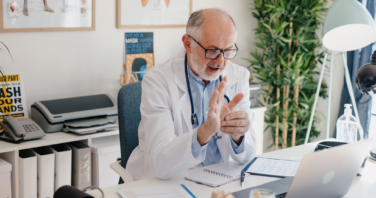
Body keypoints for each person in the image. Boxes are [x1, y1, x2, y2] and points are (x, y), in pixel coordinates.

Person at [126, 8, 257, 181]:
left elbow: (248, 156)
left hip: (220, 180)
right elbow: (160, 163)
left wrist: (238, 136)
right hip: (172, 183)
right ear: (188, 44)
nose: (221, 61)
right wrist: (203, 133)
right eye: (212, 50)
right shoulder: (158, 81)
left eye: (228, 50)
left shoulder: (239, 76)